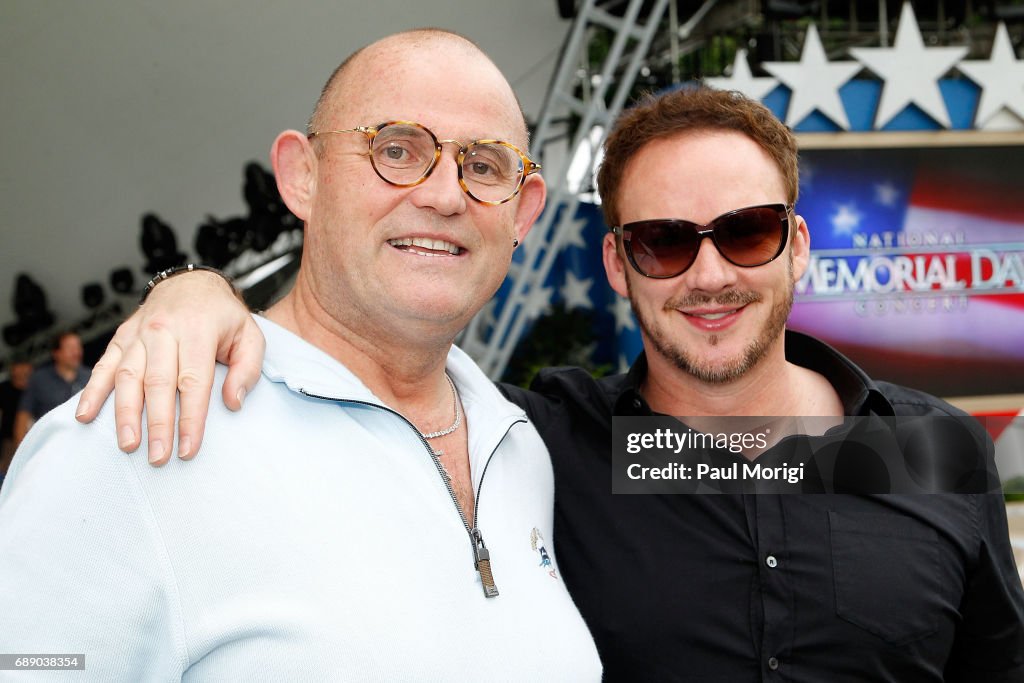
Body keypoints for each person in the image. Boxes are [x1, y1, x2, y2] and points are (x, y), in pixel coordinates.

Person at [76, 88, 1024, 680]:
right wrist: (193, 294)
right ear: (617, 265)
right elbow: (370, 349)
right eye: (663, 241)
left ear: (796, 247)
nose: (708, 274)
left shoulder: (930, 449)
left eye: (744, 232)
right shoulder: (535, 444)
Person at [0, 30, 601, 680]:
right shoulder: (139, 436)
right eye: (397, 149)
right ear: (300, 176)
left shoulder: (522, 445)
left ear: (524, 213)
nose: (445, 194)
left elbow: (708, 451)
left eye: (484, 166)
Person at [12, 331, 90, 447]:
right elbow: (23, 415)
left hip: (86, 440)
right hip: (52, 445)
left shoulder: (90, 375)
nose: (76, 352)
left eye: (78, 347)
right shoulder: (39, 379)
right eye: (70, 348)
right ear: (56, 353)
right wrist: (22, 450)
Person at [0, 359, 32, 479]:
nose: (23, 370)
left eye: (25, 366)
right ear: (13, 370)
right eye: (19, 366)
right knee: (7, 472)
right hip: (9, 439)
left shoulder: (34, 389)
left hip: (31, 436)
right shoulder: (4, 389)